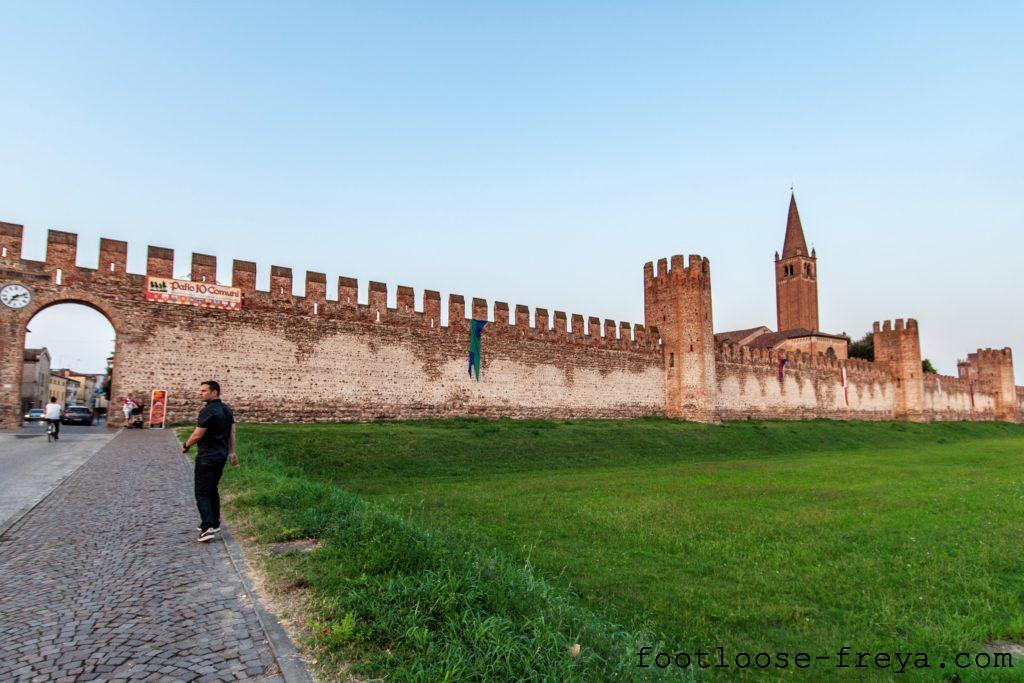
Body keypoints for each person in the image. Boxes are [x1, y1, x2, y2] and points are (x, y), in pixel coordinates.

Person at [180, 380, 238, 542]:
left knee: (202, 492)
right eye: (200, 391)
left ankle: (207, 528)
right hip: (221, 456)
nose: (200, 393)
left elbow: (197, 435)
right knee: (212, 489)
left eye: (204, 391)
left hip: (207, 457)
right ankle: (215, 522)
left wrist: (186, 445)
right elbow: (232, 433)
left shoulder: (208, 411)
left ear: (214, 393)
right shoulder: (227, 409)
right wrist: (231, 452)